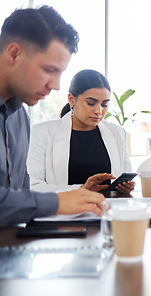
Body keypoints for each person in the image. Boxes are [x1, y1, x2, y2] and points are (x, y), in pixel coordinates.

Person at [0, 6, 105, 226]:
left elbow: (22, 195)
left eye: (60, 73)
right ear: (14, 54)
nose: (56, 85)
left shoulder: (20, 118)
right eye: (49, 70)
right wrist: (57, 202)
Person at [27, 69, 134, 193]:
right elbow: (33, 186)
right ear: (72, 99)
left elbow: (124, 177)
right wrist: (81, 189)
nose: (99, 111)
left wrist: (126, 188)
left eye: (104, 104)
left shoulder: (117, 133)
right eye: (91, 103)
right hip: (65, 209)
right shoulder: (41, 133)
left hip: (108, 209)